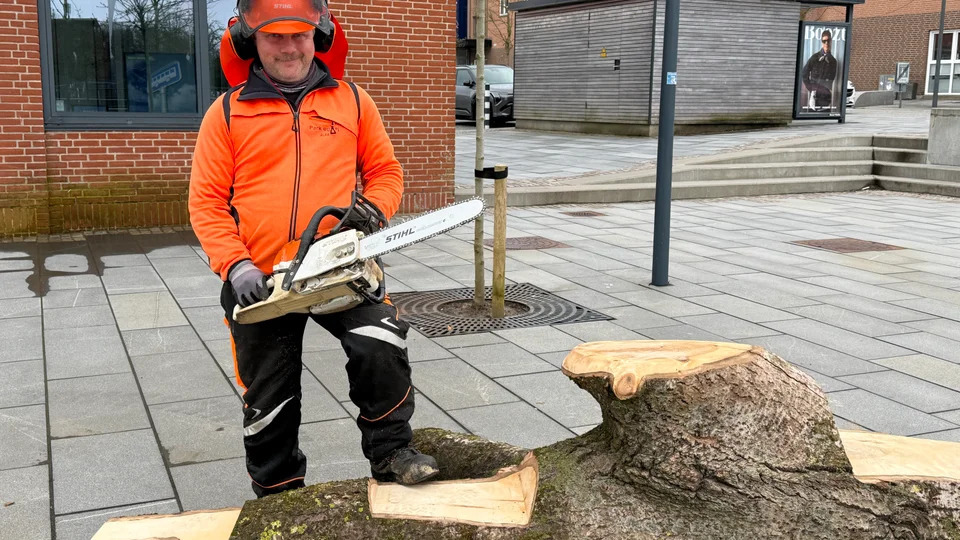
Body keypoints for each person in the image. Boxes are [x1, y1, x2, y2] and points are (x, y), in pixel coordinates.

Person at [188, 0, 439, 498]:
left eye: (298, 35)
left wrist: (374, 209)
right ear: (250, 41)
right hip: (261, 277)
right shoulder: (227, 113)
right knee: (269, 392)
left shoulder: (353, 101)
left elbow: (385, 171)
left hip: (337, 265)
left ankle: (392, 452)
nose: (289, 48)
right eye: (274, 37)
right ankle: (277, 490)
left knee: (380, 341)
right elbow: (207, 201)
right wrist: (235, 264)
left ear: (319, 36)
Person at [802, 30, 839, 111]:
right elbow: (804, 74)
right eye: (824, 41)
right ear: (821, 42)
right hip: (814, 95)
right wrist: (811, 88)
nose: (826, 43)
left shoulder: (833, 61)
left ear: (831, 41)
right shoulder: (814, 58)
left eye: (828, 40)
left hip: (826, 96)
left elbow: (831, 79)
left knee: (825, 115)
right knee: (812, 115)